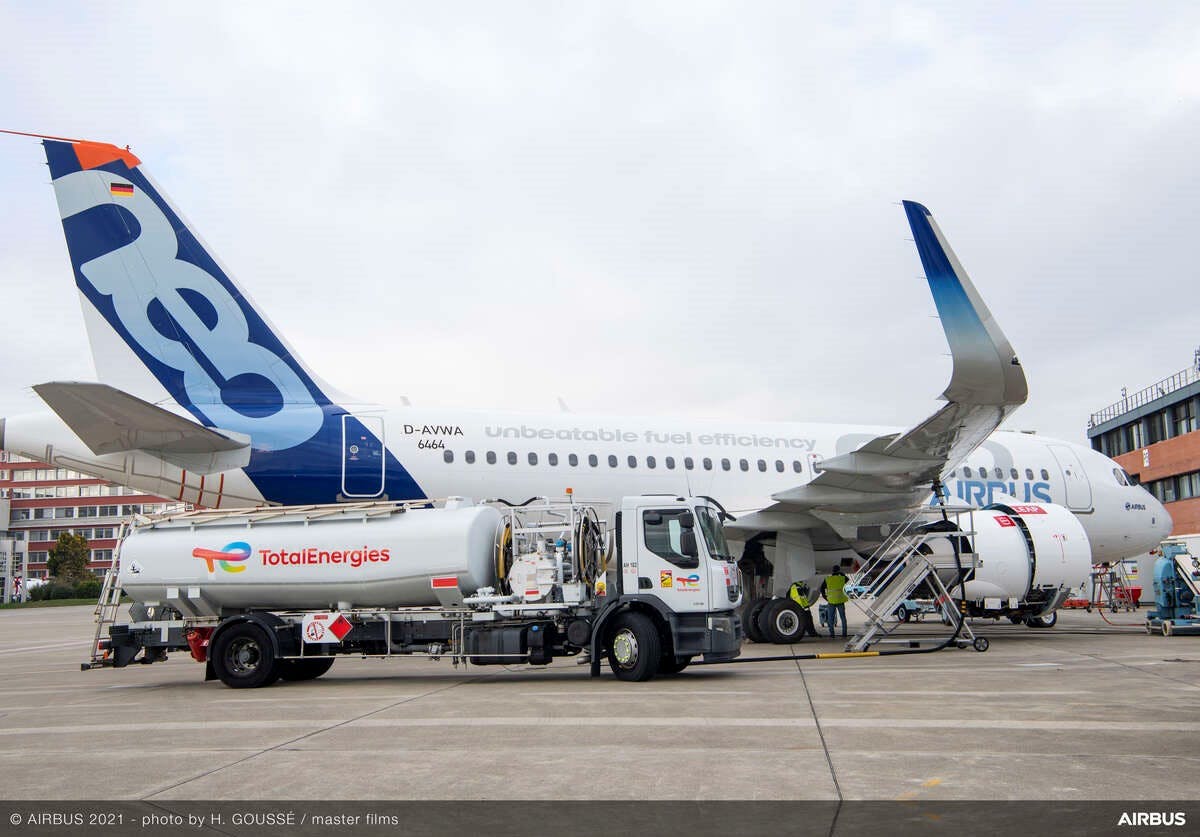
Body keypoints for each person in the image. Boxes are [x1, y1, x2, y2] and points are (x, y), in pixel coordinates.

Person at [819, 567, 849, 638]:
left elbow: (821, 588)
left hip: (831, 601)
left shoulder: (828, 579)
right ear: (839, 571)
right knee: (843, 618)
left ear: (832, 571)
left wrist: (825, 597)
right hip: (840, 600)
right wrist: (841, 573)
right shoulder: (841, 578)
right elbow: (847, 579)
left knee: (830, 618)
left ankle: (832, 634)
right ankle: (844, 634)